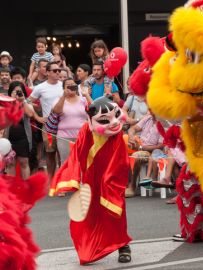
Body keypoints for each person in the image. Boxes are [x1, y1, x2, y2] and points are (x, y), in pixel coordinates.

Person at [50, 96, 132, 265]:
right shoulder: (85, 131)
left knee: (115, 210)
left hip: (111, 180)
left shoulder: (117, 135)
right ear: (90, 120)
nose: (114, 122)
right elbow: (76, 155)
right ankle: (90, 246)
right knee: (88, 214)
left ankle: (123, 246)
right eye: (104, 120)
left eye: (117, 114)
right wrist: (73, 178)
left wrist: (107, 182)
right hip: (90, 179)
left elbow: (120, 162)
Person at [28, 62, 63, 182]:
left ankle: (61, 182)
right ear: (47, 72)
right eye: (54, 71)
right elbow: (27, 102)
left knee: (61, 153)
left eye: (59, 70)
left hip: (64, 124)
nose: (58, 72)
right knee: (50, 153)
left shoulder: (63, 85)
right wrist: (38, 117)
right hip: (48, 125)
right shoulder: (40, 87)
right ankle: (51, 180)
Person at [49, 78, 92, 165]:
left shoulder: (83, 100)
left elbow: (94, 109)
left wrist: (86, 95)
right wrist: (64, 96)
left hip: (82, 136)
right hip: (64, 136)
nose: (71, 87)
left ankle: (80, 179)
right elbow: (56, 111)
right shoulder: (59, 99)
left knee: (83, 161)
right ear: (63, 88)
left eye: (73, 85)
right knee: (66, 162)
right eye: (68, 85)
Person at [4, 81, 38, 179]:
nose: (17, 93)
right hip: (8, 137)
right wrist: (12, 101)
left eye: (19, 91)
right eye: (15, 91)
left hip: (23, 137)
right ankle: (12, 188)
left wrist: (22, 101)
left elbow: (30, 114)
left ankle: (26, 187)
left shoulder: (26, 102)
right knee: (10, 163)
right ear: (10, 92)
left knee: (24, 162)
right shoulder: (5, 102)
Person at [126, 111, 164, 197]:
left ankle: (132, 186)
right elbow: (133, 129)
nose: (150, 110)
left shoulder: (163, 123)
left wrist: (142, 148)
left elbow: (161, 145)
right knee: (121, 153)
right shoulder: (148, 118)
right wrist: (131, 137)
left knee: (136, 156)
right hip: (140, 146)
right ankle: (125, 184)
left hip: (152, 151)